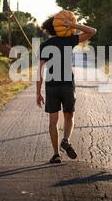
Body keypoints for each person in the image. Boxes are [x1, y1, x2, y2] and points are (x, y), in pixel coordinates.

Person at [36, 12, 97, 163]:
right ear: (62, 27)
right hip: (67, 84)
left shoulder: (45, 45)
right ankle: (66, 140)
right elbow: (92, 31)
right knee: (69, 115)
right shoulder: (69, 40)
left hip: (52, 86)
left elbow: (39, 71)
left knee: (53, 121)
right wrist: (73, 25)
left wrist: (38, 93)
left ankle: (56, 154)